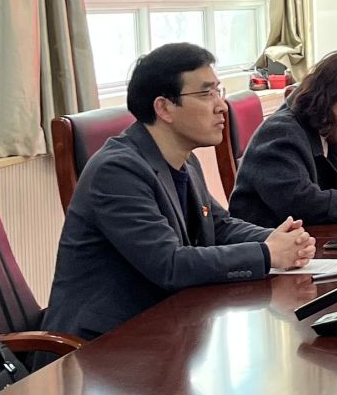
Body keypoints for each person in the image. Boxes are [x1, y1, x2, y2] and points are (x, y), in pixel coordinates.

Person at [44, 43, 315, 339]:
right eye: (206, 94)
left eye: (219, 92)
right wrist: (267, 254)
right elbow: (169, 264)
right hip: (101, 344)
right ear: (164, 108)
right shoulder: (117, 171)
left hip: (164, 327)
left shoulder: (184, 160)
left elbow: (219, 227)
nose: (221, 106)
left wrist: (277, 239)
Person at [230, 51, 337, 226]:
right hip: (267, 240)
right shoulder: (280, 132)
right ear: (329, 95)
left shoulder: (329, 129)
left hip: (309, 236)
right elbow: (300, 203)